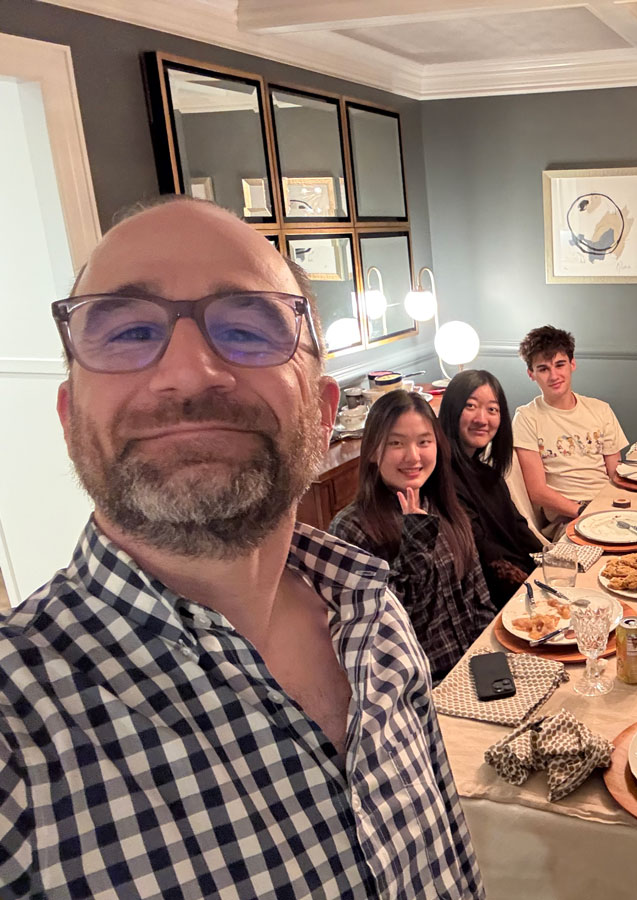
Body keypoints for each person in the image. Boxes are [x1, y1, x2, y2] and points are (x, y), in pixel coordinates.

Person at [0, 197, 483, 897]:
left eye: (247, 329)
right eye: (131, 330)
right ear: (72, 419)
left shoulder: (372, 612)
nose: (190, 371)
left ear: (320, 415)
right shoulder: (18, 735)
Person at [331, 389, 496, 684]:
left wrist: (493, 675)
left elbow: (481, 603)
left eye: (424, 442)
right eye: (396, 443)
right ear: (372, 451)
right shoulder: (351, 530)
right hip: (416, 691)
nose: (413, 456)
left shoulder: (444, 507)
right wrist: (415, 544)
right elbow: (384, 638)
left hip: (473, 673)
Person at [439, 369, 542, 607]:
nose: (482, 419)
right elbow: (484, 554)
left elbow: (519, 528)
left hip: (525, 584)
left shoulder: (488, 474)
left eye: (492, 409)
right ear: (452, 410)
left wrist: (553, 561)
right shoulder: (443, 479)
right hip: (492, 602)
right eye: (471, 406)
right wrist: (533, 593)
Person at [512, 325, 627, 526]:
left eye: (559, 365)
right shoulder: (527, 418)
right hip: (567, 517)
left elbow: (616, 474)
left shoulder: (600, 410)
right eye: (543, 369)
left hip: (607, 506)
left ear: (572, 364)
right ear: (531, 374)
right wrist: (582, 511)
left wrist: (619, 507)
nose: (554, 376)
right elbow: (537, 491)